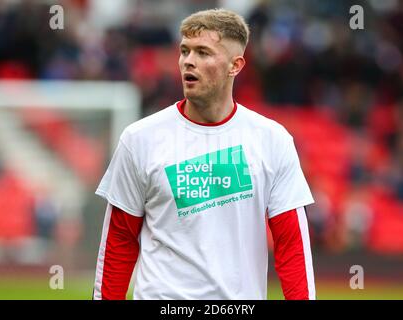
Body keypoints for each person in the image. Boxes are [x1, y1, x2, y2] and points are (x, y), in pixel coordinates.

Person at [93, 8, 316, 300]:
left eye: (203, 52)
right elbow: (119, 242)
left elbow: (292, 245)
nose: (188, 61)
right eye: (184, 51)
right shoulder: (140, 139)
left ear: (235, 66)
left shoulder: (272, 140)